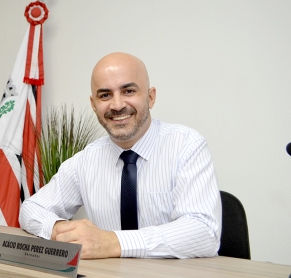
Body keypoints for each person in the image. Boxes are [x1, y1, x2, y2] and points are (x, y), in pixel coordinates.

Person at [19, 52, 221, 259]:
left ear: (150, 97)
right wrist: (59, 229)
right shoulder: (85, 160)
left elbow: (204, 232)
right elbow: (31, 208)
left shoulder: (186, 145)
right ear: (93, 104)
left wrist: (112, 243)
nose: (117, 105)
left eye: (129, 91)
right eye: (105, 95)